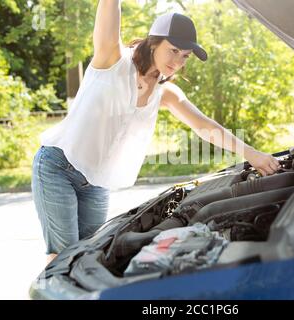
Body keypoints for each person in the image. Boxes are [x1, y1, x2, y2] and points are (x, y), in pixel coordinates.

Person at [31, 0, 280, 265]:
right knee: (62, 257)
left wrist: (252, 154)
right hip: (58, 166)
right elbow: (109, 7)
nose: (178, 62)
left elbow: (207, 128)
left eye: (185, 56)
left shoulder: (165, 93)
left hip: (96, 181)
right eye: (173, 50)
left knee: (86, 260)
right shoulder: (111, 60)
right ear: (153, 43)